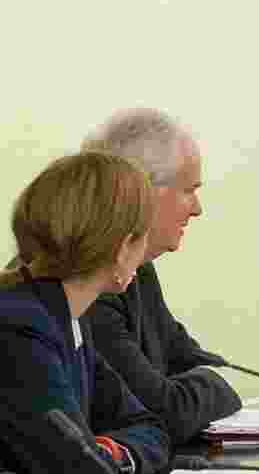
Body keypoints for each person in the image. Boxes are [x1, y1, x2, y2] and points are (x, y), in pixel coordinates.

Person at [78, 108, 242, 445]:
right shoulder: (83, 282)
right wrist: (208, 386)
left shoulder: (138, 269)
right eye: (189, 190)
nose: (197, 209)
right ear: (142, 191)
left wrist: (199, 385)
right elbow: (161, 412)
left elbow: (187, 359)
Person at [0, 152, 170, 474]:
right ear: (121, 248)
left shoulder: (69, 319)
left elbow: (151, 428)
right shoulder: (19, 329)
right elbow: (77, 465)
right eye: (143, 236)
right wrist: (110, 453)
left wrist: (114, 454)